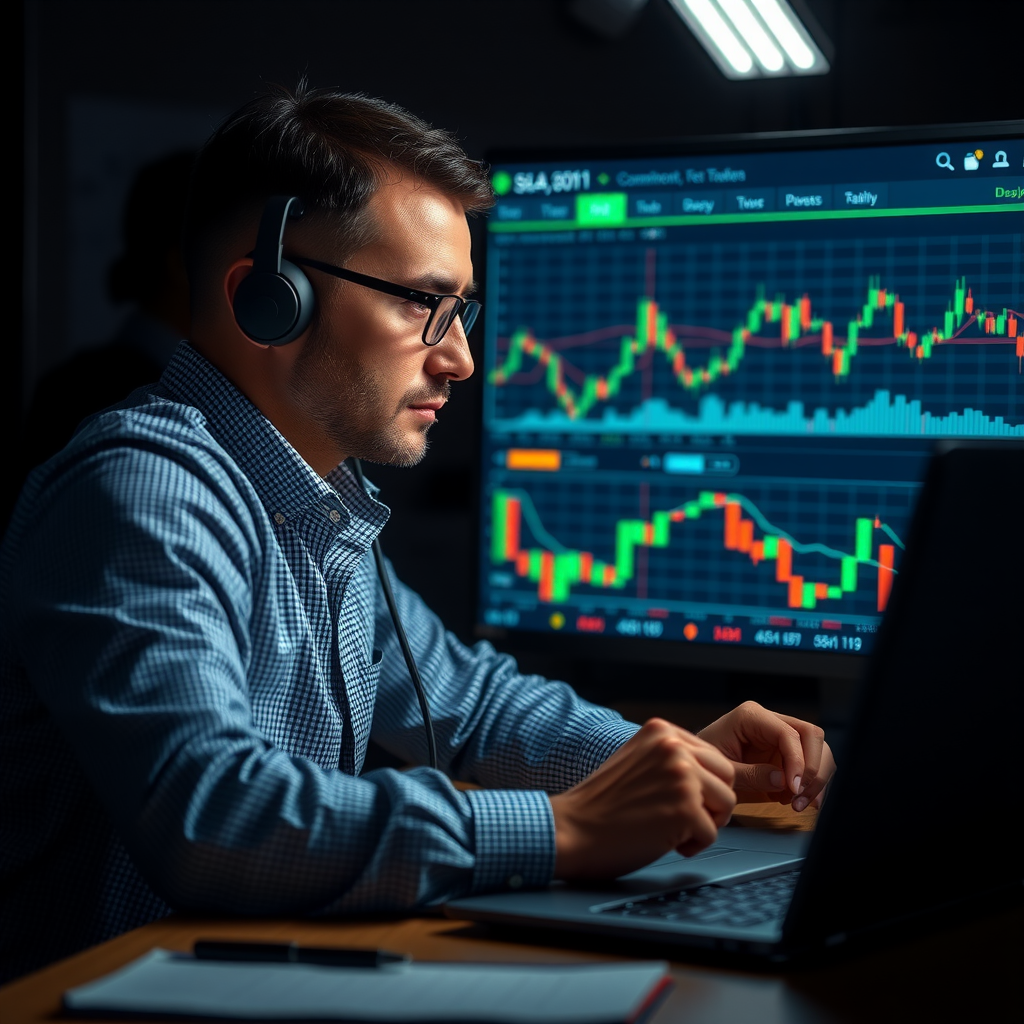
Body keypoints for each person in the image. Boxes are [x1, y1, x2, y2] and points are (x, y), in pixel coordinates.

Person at [0, 83, 835, 983]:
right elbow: (215, 817)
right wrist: (569, 830)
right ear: (269, 300)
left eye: (462, 310)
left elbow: (470, 704)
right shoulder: (144, 491)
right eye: (420, 304)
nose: (462, 358)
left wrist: (673, 759)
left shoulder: (313, 501)